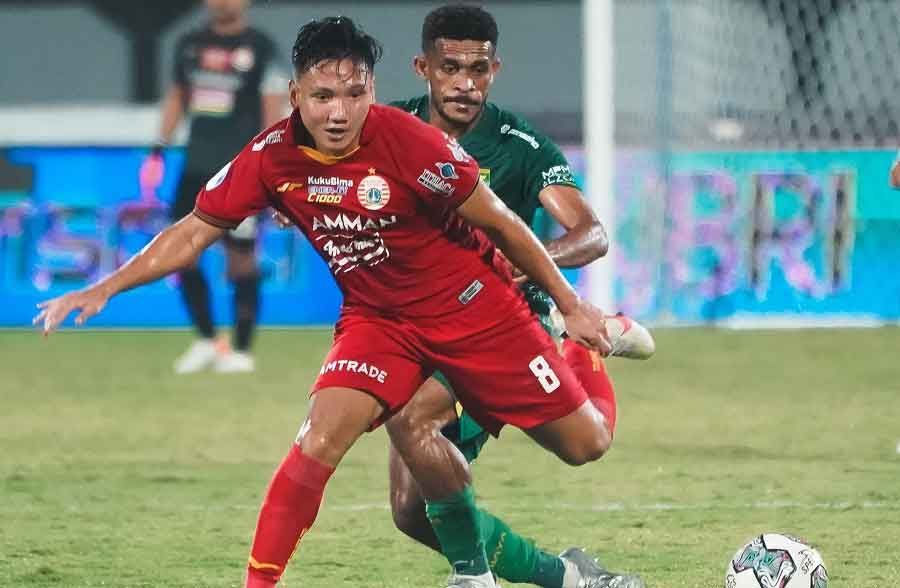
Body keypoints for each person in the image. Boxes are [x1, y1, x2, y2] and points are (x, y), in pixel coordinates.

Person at [36, 17, 624, 588]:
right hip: (380, 321)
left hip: (475, 312)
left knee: (585, 444)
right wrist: (104, 286)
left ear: (372, 89)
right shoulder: (271, 157)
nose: (338, 111)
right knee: (324, 437)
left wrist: (569, 306)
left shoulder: (413, 143)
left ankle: (581, 351)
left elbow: (502, 224)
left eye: (353, 93)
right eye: (321, 96)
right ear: (295, 95)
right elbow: (192, 232)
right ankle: (428, 575)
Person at [384, 5, 646, 588]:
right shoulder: (389, 130)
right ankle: (570, 579)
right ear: (423, 67)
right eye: (450, 68)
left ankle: (582, 348)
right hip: (418, 330)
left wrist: (524, 261)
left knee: (419, 418)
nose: (464, 84)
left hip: (498, 328)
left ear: (495, 69)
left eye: (477, 69)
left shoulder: (520, 146)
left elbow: (591, 234)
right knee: (410, 511)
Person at [151, 0, 286, 373]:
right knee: (182, 255)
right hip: (194, 167)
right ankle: (206, 340)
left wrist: (269, 164)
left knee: (239, 259)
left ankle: (242, 349)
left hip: (239, 170)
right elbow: (178, 96)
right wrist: (159, 147)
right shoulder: (189, 43)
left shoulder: (260, 46)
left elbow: (271, 105)